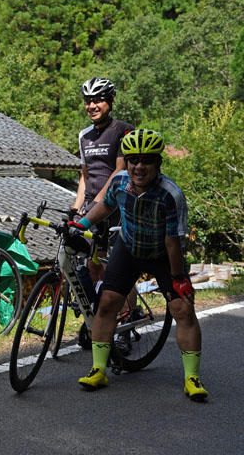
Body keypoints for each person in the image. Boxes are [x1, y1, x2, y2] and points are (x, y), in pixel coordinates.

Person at [71, 129, 208, 401]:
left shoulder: (171, 195)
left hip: (163, 253)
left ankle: (192, 378)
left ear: (158, 164)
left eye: (147, 161)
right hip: (129, 247)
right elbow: (106, 207)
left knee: (182, 307)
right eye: (133, 160)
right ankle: (99, 369)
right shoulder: (120, 181)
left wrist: (179, 277)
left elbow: (173, 241)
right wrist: (82, 223)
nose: (139, 167)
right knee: (107, 302)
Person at [72, 77, 133, 284]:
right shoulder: (84, 136)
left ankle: (129, 312)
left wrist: (98, 201)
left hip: (116, 206)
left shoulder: (123, 130)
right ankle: (97, 314)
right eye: (88, 101)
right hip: (91, 206)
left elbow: (119, 170)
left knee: (113, 267)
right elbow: (84, 175)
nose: (91, 106)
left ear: (111, 102)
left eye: (97, 100)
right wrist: (76, 207)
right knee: (92, 265)